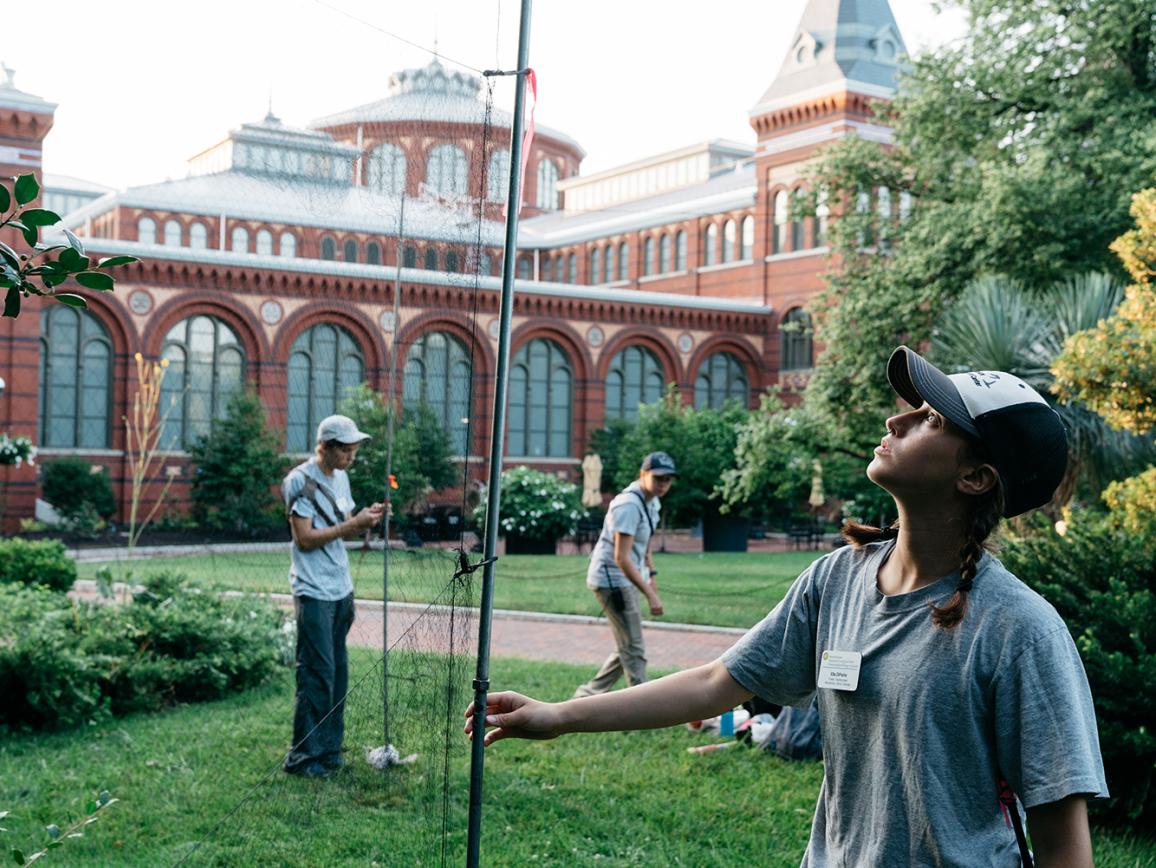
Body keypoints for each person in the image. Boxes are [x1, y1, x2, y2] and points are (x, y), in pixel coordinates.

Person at [468, 347, 1107, 866]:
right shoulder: (836, 580)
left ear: (976, 478)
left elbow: (1062, 844)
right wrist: (560, 715)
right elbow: (719, 682)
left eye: (931, 420)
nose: (896, 421)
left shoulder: (1019, 629)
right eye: (909, 409)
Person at [282, 414, 386, 779]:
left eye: (355, 448)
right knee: (317, 674)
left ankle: (329, 751)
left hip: (341, 589)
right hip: (313, 592)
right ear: (323, 447)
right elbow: (305, 538)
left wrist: (363, 519)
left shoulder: (341, 477)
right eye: (345, 449)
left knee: (338, 674)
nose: (351, 456)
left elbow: (338, 528)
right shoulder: (300, 482)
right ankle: (303, 757)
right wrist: (353, 525)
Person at [572, 451, 674, 698]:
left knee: (627, 645)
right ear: (643, 474)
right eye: (658, 478)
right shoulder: (628, 505)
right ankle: (640, 707)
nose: (663, 484)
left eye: (668, 479)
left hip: (624, 578)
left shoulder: (652, 501)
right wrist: (651, 596)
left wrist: (652, 575)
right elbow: (621, 558)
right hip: (612, 581)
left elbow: (645, 543)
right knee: (634, 648)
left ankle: (585, 697)